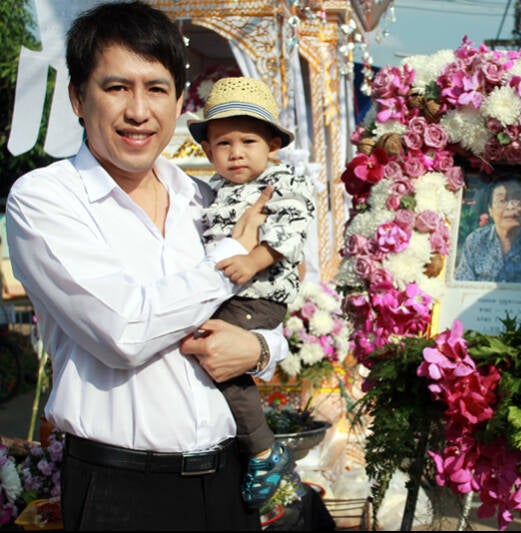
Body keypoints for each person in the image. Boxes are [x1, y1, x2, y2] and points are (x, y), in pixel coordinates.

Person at [4, 1, 289, 530]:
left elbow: (269, 308)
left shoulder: (207, 200)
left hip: (228, 484)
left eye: (157, 89)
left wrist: (260, 348)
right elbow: (124, 331)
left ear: (179, 102)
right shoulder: (46, 199)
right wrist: (227, 259)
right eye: (117, 87)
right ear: (78, 98)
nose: (139, 111)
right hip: (121, 490)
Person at [187, 76, 316, 509]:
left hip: (258, 293)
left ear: (272, 145)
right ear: (208, 151)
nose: (236, 152)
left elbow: (293, 228)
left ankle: (262, 450)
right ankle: (245, 447)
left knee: (219, 358)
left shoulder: (282, 182)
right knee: (217, 363)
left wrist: (254, 258)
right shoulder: (215, 190)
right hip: (231, 292)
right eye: (224, 144)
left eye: (248, 141)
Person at [454, 176, 521, 283]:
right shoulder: (475, 241)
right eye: (502, 200)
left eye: (517, 199)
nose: (509, 207)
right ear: (490, 209)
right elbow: (463, 284)